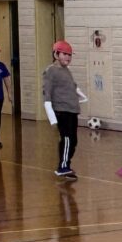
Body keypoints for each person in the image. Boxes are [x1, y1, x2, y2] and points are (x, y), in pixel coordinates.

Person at [41, 40, 84, 179]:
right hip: (61, 110)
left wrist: (82, 96)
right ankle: (63, 167)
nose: (68, 57)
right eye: (64, 54)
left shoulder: (67, 71)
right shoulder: (51, 71)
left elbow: (73, 86)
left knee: (73, 140)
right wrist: (52, 117)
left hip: (72, 110)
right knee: (66, 138)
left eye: (70, 55)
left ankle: (66, 163)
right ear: (56, 54)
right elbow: (46, 94)